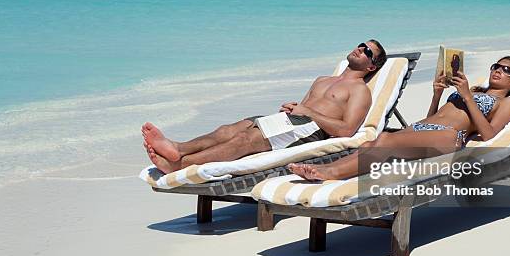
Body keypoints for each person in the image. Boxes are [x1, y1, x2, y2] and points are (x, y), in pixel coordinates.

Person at [142, 40, 387, 174]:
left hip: (309, 130)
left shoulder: (359, 91)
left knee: (245, 142)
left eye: (367, 51)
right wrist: (295, 107)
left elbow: (346, 130)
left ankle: (181, 165)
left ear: (371, 67)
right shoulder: (323, 79)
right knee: (228, 130)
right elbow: (305, 106)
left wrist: (308, 112)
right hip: (292, 120)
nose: (359, 48)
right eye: (361, 44)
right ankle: (178, 148)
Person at [289, 56, 510, 181]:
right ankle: (325, 169)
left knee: (383, 142)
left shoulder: (507, 102)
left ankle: (328, 174)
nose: (499, 70)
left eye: (507, 70)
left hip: (450, 138)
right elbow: (435, 116)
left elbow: (489, 134)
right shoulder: (472, 90)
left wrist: (466, 96)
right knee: (372, 143)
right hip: (425, 128)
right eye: (497, 66)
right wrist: (437, 94)